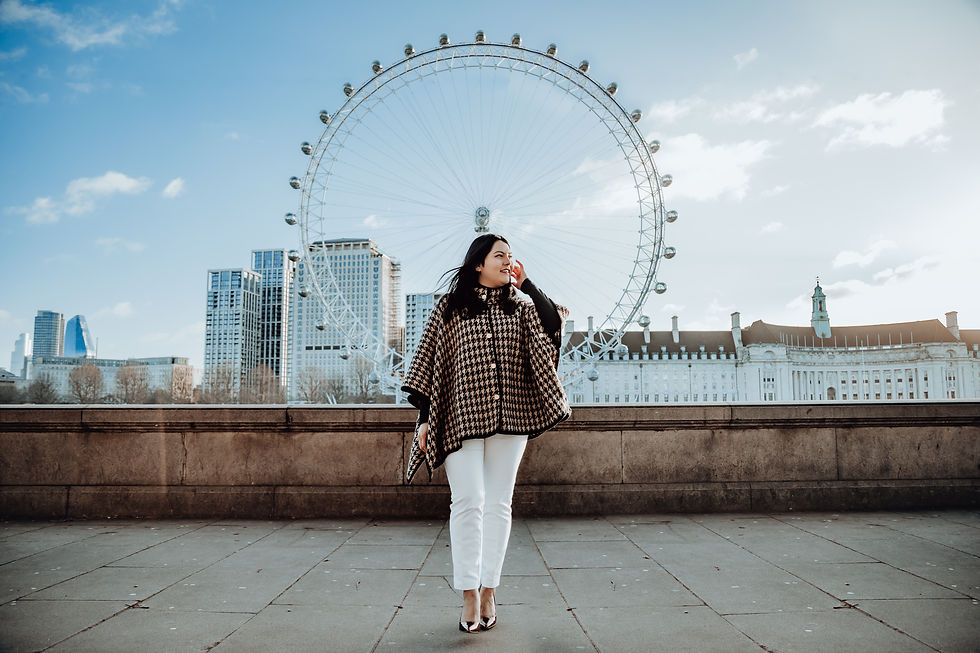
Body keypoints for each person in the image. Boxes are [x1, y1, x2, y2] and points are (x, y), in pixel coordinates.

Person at [402, 233, 570, 634]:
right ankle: (468, 593)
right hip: (460, 415)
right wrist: (426, 420)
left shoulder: (522, 307)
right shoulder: (450, 308)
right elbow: (432, 367)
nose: (507, 261)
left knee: (498, 504)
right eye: (499, 255)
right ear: (478, 263)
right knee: (468, 501)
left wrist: (527, 283)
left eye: (511, 257)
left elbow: (553, 324)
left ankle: (490, 587)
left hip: (511, 415)